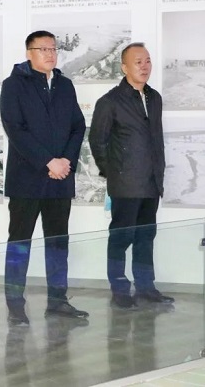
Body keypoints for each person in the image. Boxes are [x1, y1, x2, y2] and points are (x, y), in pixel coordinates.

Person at [0, 30, 88, 326]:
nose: (50, 54)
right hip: (27, 180)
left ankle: (58, 301)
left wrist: (65, 162)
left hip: (60, 179)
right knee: (19, 244)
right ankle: (15, 305)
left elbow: (78, 126)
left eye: (53, 49)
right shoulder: (13, 85)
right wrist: (48, 162)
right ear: (29, 53)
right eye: (43, 49)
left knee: (58, 243)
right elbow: (16, 130)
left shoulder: (65, 85)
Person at [89, 42, 173, 309]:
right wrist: (114, 172)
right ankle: (119, 290)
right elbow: (97, 141)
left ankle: (146, 288)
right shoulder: (110, 102)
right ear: (124, 67)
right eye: (138, 62)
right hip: (125, 184)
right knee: (121, 238)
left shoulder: (154, 98)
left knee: (146, 238)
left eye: (147, 61)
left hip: (151, 182)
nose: (144, 66)